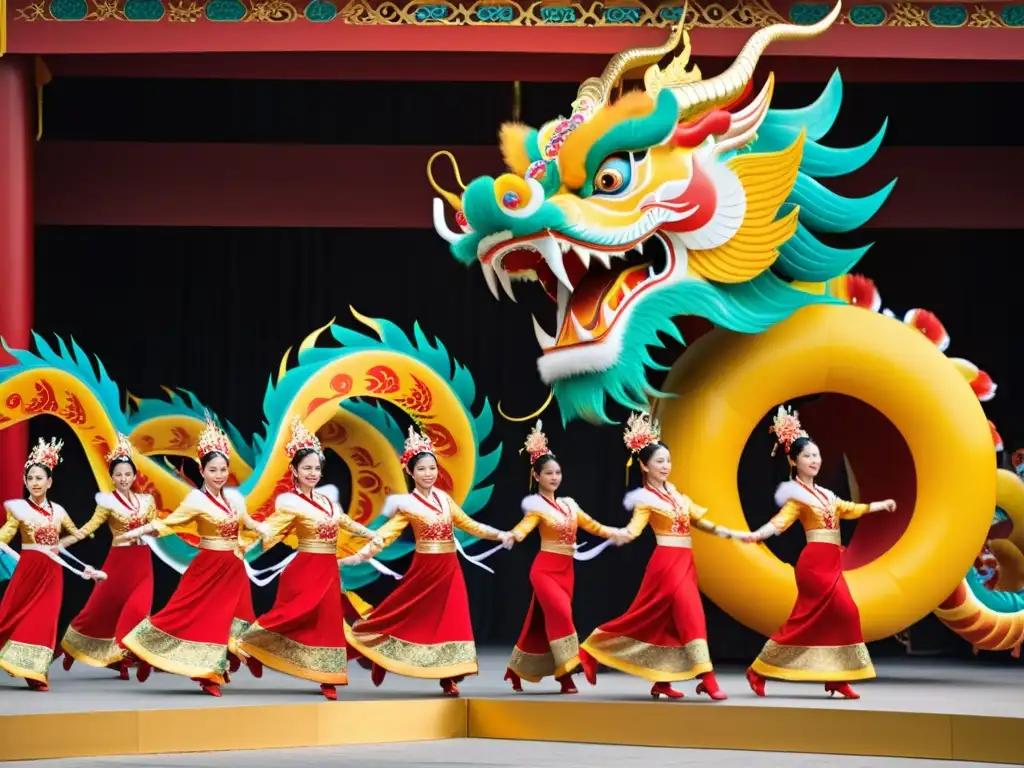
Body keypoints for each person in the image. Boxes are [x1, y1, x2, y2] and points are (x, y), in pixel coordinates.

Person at [341, 426, 515, 697]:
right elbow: (386, 535)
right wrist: (360, 556)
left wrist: (499, 534)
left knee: (452, 621)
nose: (428, 474)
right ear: (410, 472)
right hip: (424, 570)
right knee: (402, 615)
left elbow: (469, 524)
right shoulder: (407, 505)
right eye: (421, 469)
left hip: (449, 569)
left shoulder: (444, 499)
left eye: (432, 468)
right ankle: (378, 654)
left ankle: (449, 676)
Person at [579, 412, 741, 701]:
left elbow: (697, 519)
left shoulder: (676, 494)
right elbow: (634, 530)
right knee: (691, 617)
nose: (666, 466)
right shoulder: (645, 499)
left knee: (662, 623)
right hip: (667, 564)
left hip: (685, 563)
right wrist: (616, 534)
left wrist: (725, 531)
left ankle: (661, 682)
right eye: (659, 461)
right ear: (644, 465)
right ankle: (708, 679)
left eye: (668, 460)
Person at [741, 405, 896, 700]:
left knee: (844, 615)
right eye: (807, 456)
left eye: (817, 455)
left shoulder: (827, 494)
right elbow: (781, 521)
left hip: (832, 562)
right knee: (808, 619)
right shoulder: (797, 496)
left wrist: (879, 505)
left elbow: (850, 509)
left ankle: (836, 677)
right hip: (813, 566)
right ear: (794, 461)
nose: (815, 460)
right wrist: (758, 535)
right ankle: (759, 669)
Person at [118, 414, 267, 696]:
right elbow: (169, 522)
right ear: (201, 469)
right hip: (208, 566)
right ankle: (166, 658)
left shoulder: (234, 498)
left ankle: (232, 659)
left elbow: (246, 521)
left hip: (233, 567)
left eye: (223, 469)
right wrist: (139, 532)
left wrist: (263, 529)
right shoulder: (196, 499)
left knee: (238, 618)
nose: (220, 475)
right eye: (213, 470)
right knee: (188, 616)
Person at [237, 417, 382, 700]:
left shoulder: (328, 501)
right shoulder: (289, 502)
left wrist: (372, 534)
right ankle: (250, 646)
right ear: (295, 470)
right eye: (307, 468)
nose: (313, 473)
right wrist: (245, 544)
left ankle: (328, 677)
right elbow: (272, 529)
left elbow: (346, 523)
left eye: (317, 468)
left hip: (327, 569)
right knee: (289, 617)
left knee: (328, 623)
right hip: (304, 569)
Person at [504, 420, 630, 694]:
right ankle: (568, 673)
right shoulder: (537, 507)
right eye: (548, 473)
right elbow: (524, 527)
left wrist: (615, 533)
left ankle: (517, 669)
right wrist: (513, 535)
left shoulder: (569, 504)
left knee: (539, 624)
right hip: (544, 571)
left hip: (566, 572)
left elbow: (592, 525)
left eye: (557, 472)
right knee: (561, 616)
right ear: (536, 476)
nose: (554, 477)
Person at [0, 438, 105, 690]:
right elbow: (5, 535)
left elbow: (77, 533)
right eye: (31, 478)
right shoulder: (19, 510)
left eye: (40, 478)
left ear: (49, 481)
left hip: (52, 572)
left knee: (45, 619)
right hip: (27, 570)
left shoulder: (58, 511)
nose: (35, 482)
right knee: (10, 616)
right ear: (26, 482)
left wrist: (66, 543)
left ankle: (35, 672)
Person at [59, 433, 157, 679]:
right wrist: (62, 542)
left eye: (127, 474)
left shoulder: (147, 501)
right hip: (119, 562)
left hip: (142, 562)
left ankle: (124, 656)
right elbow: (88, 528)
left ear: (134, 476)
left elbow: (158, 527)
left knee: (137, 611)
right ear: (111, 477)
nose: (123, 478)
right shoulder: (107, 502)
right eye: (118, 474)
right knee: (99, 610)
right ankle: (73, 647)